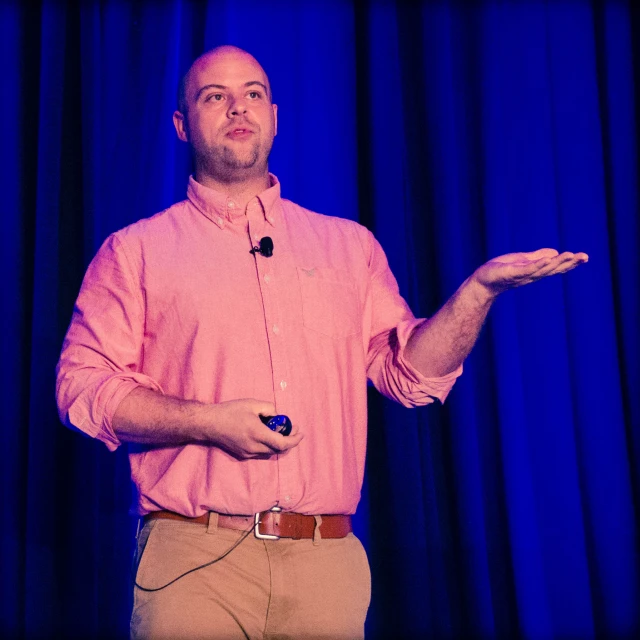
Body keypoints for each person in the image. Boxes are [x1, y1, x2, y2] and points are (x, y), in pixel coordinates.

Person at [55, 45, 588, 639]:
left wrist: (479, 291)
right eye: (215, 96)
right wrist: (207, 422)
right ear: (182, 124)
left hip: (325, 563)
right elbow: (83, 387)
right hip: (193, 560)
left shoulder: (348, 247)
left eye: (253, 93)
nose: (239, 108)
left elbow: (410, 376)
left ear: (276, 116)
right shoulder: (136, 252)